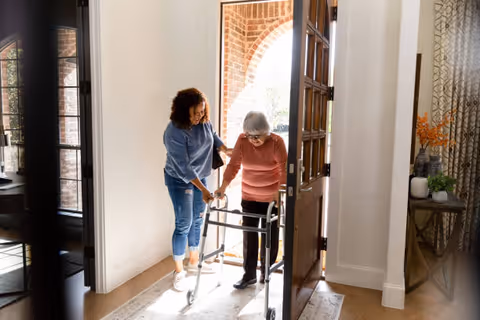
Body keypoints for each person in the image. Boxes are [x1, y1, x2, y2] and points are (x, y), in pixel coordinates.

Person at [164, 88, 230, 292]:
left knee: (198, 218)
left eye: (202, 111)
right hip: (179, 178)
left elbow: (213, 135)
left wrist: (225, 148)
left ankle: (193, 261)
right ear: (184, 111)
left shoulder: (204, 122)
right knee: (184, 222)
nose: (199, 116)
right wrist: (203, 189)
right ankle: (178, 271)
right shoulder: (174, 131)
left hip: (200, 176)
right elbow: (183, 167)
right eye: (195, 113)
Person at [215, 111, 287, 289]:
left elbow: (284, 168)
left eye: (257, 136)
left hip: (271, 199)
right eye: (249, 135)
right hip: (249, 196)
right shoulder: (242, 140)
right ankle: (249, 275)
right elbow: (234, 165)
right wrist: (223, 187)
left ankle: (266, 272)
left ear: (267, 132)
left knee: (269, 235)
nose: (253, 140)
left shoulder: (277, 143)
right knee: (249, 234)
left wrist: (280, 192)